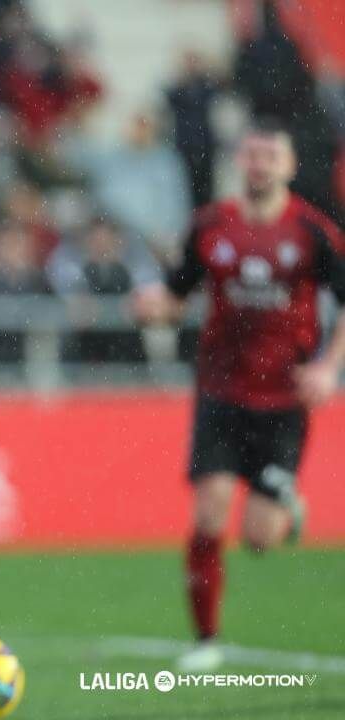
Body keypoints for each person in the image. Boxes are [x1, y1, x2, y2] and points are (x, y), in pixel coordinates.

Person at [132, 119, 345, 672]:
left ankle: (284, 505)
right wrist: (158, 304)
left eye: (271, 156)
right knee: (208, 516)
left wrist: (328, 367)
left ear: (289, 166)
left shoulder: (312, 231)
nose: (260, 165)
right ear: (240, 163)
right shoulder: (210, 225)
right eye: (252, 156)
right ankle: (205, 641)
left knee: (258, 539)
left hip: (284, 399)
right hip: (221, 392)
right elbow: (179, 293)